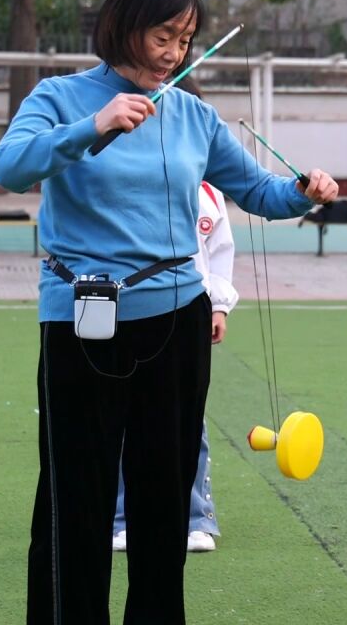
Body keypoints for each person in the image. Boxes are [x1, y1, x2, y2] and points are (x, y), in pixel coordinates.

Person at [0, 0, 339, 625]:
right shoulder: (61, 97)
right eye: (163, 36)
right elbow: (9, 166)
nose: (174, 53)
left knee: (163, 497)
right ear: (124, 25)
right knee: (78, 498)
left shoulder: (192, 116)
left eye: (184, 39)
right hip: (84, 320)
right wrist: (93, 127)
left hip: (179, 320)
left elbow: (257, 192)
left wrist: (303, 192)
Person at [112, 179, 237, 554]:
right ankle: (123, 518)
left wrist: (218, 305)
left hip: (190, 312)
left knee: (188, 418)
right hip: (131, 310)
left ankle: (196, 519)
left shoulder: (208, 194)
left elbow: (219, 252)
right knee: (124, 414)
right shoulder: (129, 178)